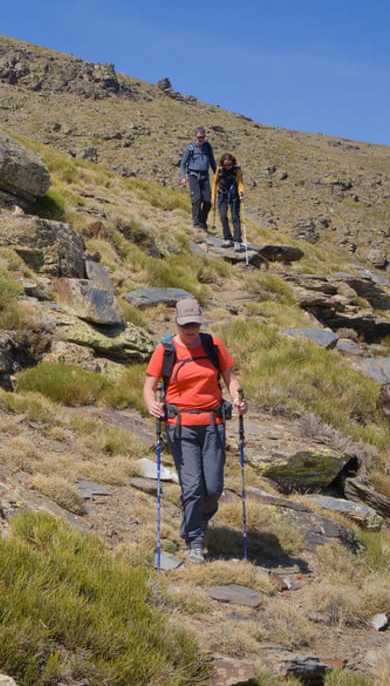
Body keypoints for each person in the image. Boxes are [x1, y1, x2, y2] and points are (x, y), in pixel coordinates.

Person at [141, 298, 247, 564]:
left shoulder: (212, 345)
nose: (191, 329)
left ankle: (193, 521)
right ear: (176, 321)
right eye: (186, 324)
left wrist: (237, 399)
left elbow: (230, 378)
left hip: (213, 425)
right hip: (180, 427)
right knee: (192, 487)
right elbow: (149, 385)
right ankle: (195, 542)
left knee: (212, 488)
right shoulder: (165, 350)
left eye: (195, 324)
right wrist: (152, 405)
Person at [178, 127, 216, 231]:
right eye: (199, 137)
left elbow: (213, 162)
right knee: (197, 199)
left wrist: (218, 175)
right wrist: (183, 178)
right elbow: (183, 164)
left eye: (203, 137)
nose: (201, 139)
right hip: (193, 175)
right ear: (195, 137)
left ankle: (203, 220)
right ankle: (196, 224)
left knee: (208, 200)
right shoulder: (190, 148)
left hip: (205, 176)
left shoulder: (208, 147)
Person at [211, 152, 245, 249]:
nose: (227, 167)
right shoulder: (220, 169)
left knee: (235, 217)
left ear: (232, 163)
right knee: (222, 216)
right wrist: (213, 196)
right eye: (225, 164)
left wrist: (241, 194)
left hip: (234, 195)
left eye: (229, 164)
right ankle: (228, 238)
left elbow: (240, 183)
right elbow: (214, 182)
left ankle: (237, 240)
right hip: (222, 194)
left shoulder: (236, 170)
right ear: (222, 163)